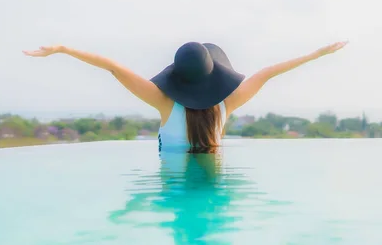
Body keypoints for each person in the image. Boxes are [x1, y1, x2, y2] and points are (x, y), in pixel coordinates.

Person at [23, 41, 348, 153]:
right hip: (214, 176)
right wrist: (316, 54)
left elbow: (113, 67)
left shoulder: (163, 102)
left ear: (177, 77)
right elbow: (267, 73)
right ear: (215, 74)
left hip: (172, 182)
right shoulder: (227, 104)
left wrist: (63, 50)